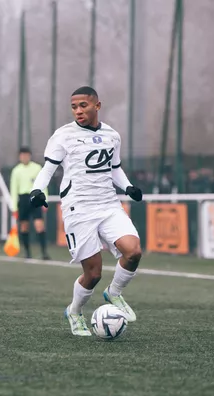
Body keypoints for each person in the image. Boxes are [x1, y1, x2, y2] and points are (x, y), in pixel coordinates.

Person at [27, 86, 144, 337]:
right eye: (74, 107)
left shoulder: (112, 135)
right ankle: (75, 311)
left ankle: (114, 294)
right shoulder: (63, 135)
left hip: (108, 205)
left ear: (97, 106)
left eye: (83, 105)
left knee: (133, 251)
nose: (78, 111)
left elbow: (114, 168)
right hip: (78, 208)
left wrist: (128, 186)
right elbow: (49, 169)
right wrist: (37, 190)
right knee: (93, 273)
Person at [9, 146, 50, 260]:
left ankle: (44, 252)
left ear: (30, 156)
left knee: (39, 225)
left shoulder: (37, 168)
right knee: (24, 227)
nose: (24, 157)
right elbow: (13, 189)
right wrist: (14, 208)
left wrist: (44, 199)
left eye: (26, 155)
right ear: (19, 157)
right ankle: (27, 252)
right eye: (22, 155)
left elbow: (43, 184)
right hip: (23, 199)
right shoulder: (16, 170)